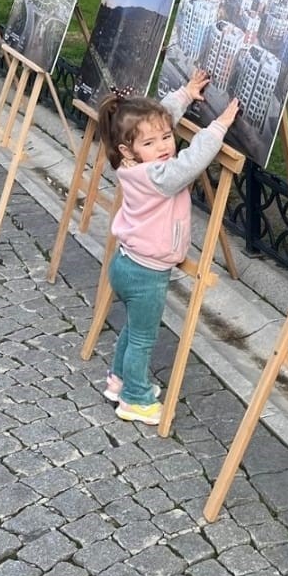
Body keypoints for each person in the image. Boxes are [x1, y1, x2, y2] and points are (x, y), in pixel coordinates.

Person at [96, 78, 239, 424]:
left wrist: (185, 96)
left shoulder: (128, 163)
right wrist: (216, 128)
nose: (164, 145)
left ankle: (118, 381)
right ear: (129, 149)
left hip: (127, 262)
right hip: (146, 274)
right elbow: (189, 164)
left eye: (166, 137)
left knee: (132, 329)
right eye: (151, 142)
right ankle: (135, 398)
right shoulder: (158, 176)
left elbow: (157, 119)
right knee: (144, 338)